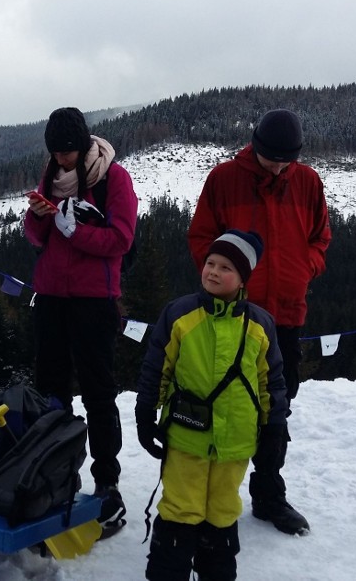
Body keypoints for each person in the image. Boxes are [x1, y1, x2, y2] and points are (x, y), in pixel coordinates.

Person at [187, 108, 330, 536]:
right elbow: (201, 237)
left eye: (285, 159)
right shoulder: (224, 178)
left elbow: (320, 237)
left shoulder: (307, 182)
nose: (277, 166)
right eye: (270, 158)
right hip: (234, 315)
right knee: (222, 400)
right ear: (256, 145)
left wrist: (305, 268)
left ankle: (268, 495)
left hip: (286, 315)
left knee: (276, 409)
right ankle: (209, 490)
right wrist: (221, 281)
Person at [135, 229, 289, 581]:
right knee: (180, 509)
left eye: (225, 267)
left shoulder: (260, 325)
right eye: (210, 263)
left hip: (236, 442)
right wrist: (146, 410)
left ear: (243, 280)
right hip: (186, 437)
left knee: (222, 512)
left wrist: (274, 427)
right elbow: (156, 366)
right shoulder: (180, 314)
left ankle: (217, 572)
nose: (214, 272)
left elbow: (272, 382)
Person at [23, 106, 137, 535]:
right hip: (51, 295)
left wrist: (76, 231)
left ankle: (107, 481)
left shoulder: (113, 178)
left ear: (85, 144)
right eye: (56, 152)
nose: (63, 159)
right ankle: (58, 474)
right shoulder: (50, 176)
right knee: (51, 389)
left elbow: (121, 239)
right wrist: (38, 220)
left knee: (98, 391)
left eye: (69, 151)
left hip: (95, 300)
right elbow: (38, 240)